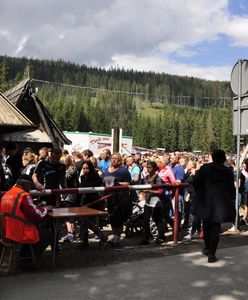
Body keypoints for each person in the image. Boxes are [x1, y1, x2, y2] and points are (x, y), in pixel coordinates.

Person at [191, 149, 236, 263]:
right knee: (216, 228)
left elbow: (196, 183)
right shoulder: (227, 171)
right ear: (223, 158)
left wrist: (200, 193)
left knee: (206, 226)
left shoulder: (205, 168)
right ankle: (212, 253)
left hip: (205, 202)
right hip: (220, 204)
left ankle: (207, 248)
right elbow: (231, 188)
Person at [0, 174, 53, 258]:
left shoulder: (8, 193)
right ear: (26, 184)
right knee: (48, 235)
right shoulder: (24, 195)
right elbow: (35, 215)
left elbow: (19, 211)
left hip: (6, 231)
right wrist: (46, 209)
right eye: (30, 186)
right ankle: (27, 258)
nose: (30, 189)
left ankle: (25, 255)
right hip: (18, 231)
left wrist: (37, 207)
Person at [104, 152, 131, 246]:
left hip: (120, 198)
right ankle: (115, 235)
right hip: (109, 198)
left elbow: (128, 183)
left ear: (120, 160)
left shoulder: (123, 170)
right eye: (113, 158)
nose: (114, 160)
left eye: (116, 158)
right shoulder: (107, 170)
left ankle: (118, 237)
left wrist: (117, 184)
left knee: (118, 218)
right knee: (111, 217)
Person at [79, 160, 105, 247]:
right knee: (83, 222)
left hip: (94, 202)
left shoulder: (95, 176)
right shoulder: (83, 177)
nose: (85, 170)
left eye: (87, 168)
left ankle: (102, 237)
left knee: (89, 222)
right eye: (84, 168)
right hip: (85, 201)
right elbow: (82, 187)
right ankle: (85, 242)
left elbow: (89, 186)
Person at [139, 160, 165, 245]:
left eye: (150, 167)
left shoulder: (158, 178)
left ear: (154, 168)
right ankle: (146, 238)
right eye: (147, 167)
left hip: (156, 203)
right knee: (145, 220)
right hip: (148, 202)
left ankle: (160, 237)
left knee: (158, 220)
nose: (148, 169)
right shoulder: (146, 177)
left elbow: (160, 191)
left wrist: (149, 190)